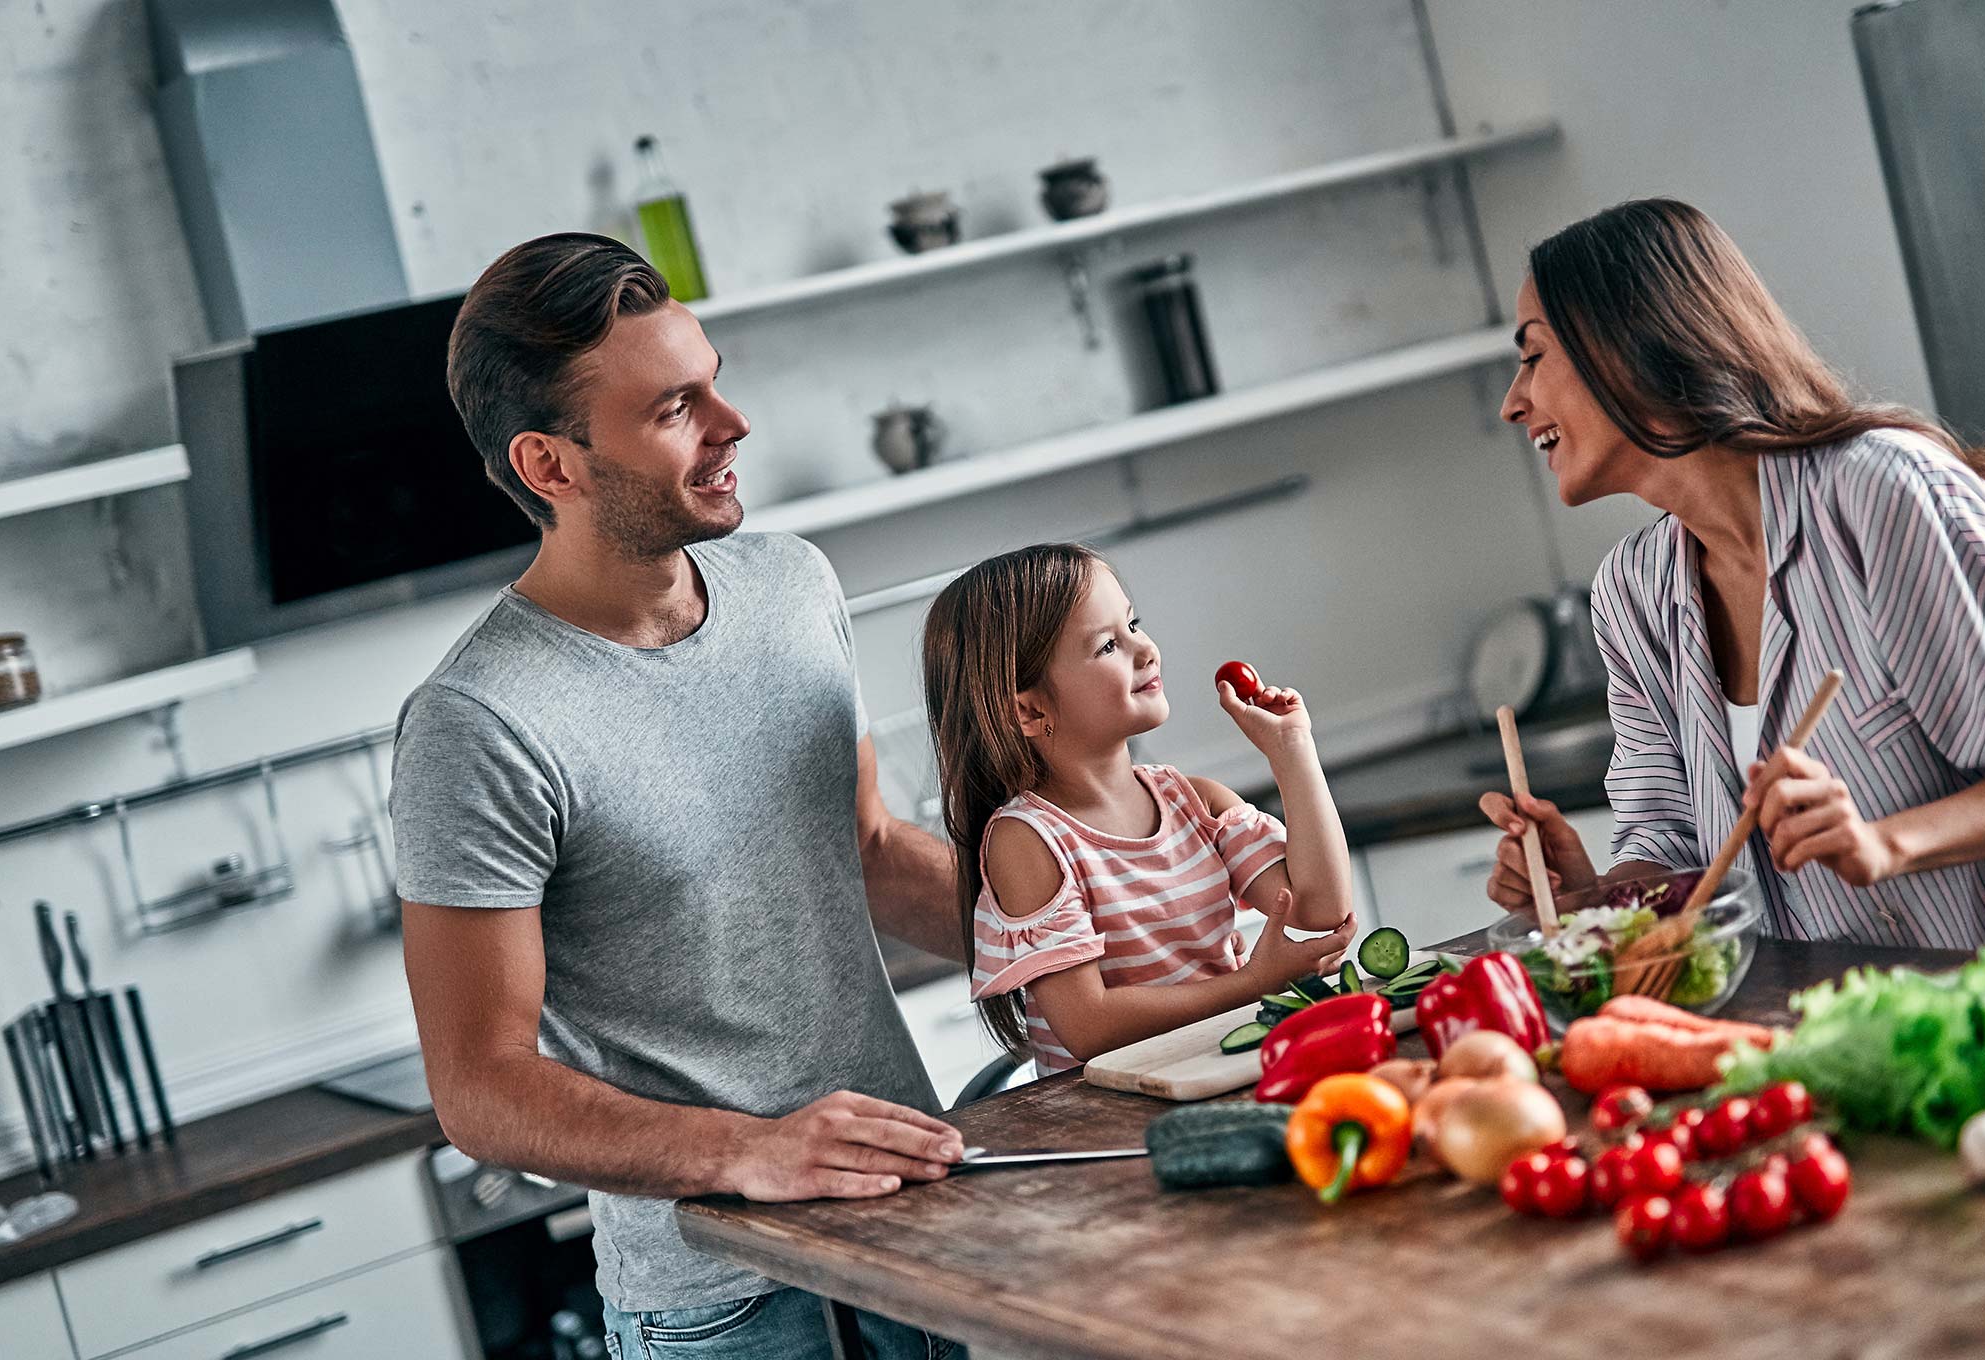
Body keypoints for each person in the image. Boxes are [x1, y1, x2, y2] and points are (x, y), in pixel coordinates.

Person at [391, 232, 970, 1360]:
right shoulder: (478, 722)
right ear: (550, 466)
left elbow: (870, 850)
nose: (732, 424)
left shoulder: (791, 585)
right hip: (726, 1305)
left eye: (714, 383)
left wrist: (1110, 934)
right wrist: (746, 1151)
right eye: (675, 409)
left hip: (912, 1223)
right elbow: (480, 1090)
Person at [1479, 198, 1985, 965]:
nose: (1514, 403)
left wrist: (1883, 844)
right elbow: (1675, 849)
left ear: (1626, 346)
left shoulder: (1879, 494)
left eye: (1533, 356)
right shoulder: (1633, 594)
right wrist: (1589, 896)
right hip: (1894, 1024)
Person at [920, 543, 1358, 1070]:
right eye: (1108, 645)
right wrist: (1251, 985)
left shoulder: (1197, 802)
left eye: (1134, 624)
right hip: (1116, 1110)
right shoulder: (1028, 841)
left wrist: (1292, 751)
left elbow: (1321, 908)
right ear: (1031, 711)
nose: (1146, 649)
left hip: (1222, 1075)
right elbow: (1089, 1027)